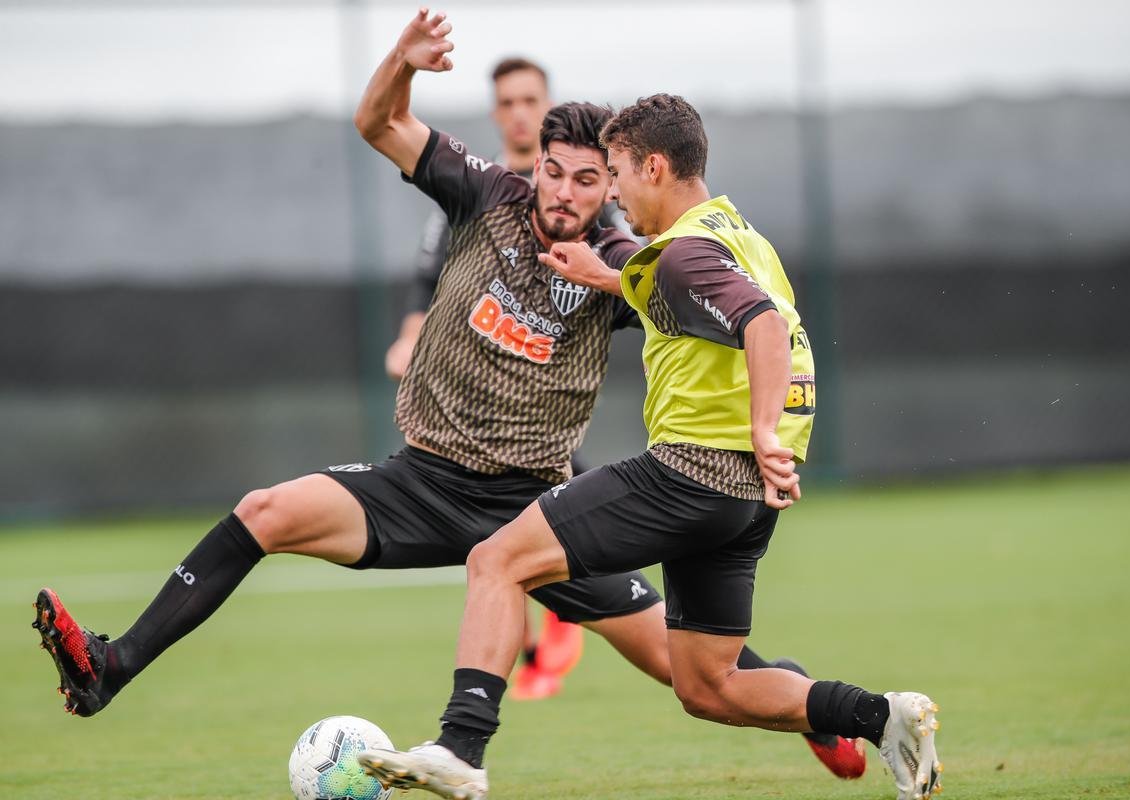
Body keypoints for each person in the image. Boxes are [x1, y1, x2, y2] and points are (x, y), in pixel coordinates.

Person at [30, 8, 864, 783]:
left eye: (587, 180)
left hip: (533, 505)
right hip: (420, 483)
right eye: (555, 173)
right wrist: (401, 61)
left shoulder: (627, 261)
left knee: (685, 667)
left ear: (610, 186)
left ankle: (808, 703)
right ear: (533, 168)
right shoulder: (485, 195)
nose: (566, 193)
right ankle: (109, 667)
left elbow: (718, 313)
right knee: (265, 511)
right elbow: (378, 123)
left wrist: (647, 310)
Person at [357, 92, 942, 800]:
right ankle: (882, 718)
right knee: (707, 685)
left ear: (654, 166)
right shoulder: (732, 233)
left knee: (497, 559)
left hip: (693, 472)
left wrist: (761, 431)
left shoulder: (682, 253)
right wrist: (608, 276)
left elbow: (758, 324)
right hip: (745, 498)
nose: (614, 195)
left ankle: (460, 748)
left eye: (618, 173)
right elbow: (704, 301)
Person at [384, 54, 586, 703]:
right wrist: (410, 336)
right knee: (505, 538)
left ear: (548, 105)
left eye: (531, 99)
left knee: (549, 525)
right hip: (477, 394)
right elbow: (428, 271)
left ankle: (564, 621)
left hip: (544, 399)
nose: (520, 112)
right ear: (496, 111)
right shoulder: (478, 186)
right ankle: (536, 647)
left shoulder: (580, 194)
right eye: (508, 102)